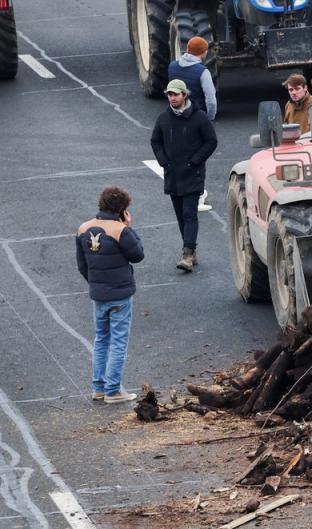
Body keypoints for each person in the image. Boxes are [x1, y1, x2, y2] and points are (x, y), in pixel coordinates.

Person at [76, 186, 144, 404]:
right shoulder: (120, 230)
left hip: (99, 294)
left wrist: (97, 284)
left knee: (101, 339)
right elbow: (138, 255)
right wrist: (129, 228)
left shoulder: (83, 229)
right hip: (120, 295)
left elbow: (81, 265)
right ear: (122, 210)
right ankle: (113, 390)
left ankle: (98, 387)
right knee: (118, 341)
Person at [150, 79, 218, 272]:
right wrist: (164, 162)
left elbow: (211, 142)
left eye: (176, 94)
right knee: (180, 215)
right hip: (173, 175)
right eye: (169, 95)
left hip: (193, 174)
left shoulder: (200, 117)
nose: (172, 98)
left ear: (184, 95)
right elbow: (155, 142)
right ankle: (191, 249)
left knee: (189, 213)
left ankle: (187, 254)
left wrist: (195, 161)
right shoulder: (163, 118)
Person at [169, 36, 217, 212]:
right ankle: (196, 196)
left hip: (176, 119)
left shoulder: (172, 66)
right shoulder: (202, 72)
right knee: (198, 158)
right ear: (204, 52)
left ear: (187, 49)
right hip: (196, 120)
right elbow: (211, 99)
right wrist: (209, 118)